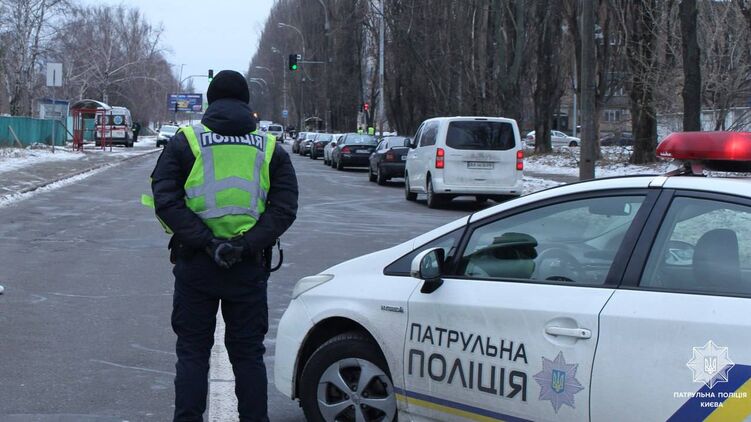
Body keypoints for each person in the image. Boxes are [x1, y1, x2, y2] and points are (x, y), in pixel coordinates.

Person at [147, 70, 298, 422]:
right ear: (246, 102)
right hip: (247, 267)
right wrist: (244, 245)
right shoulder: (269, 147)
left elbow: (165, 198)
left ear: (211, 101)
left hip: (196, 264)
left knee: (192, 353)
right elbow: (284, 208)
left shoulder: (187, 141)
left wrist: (206, 242)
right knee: (248, 355)